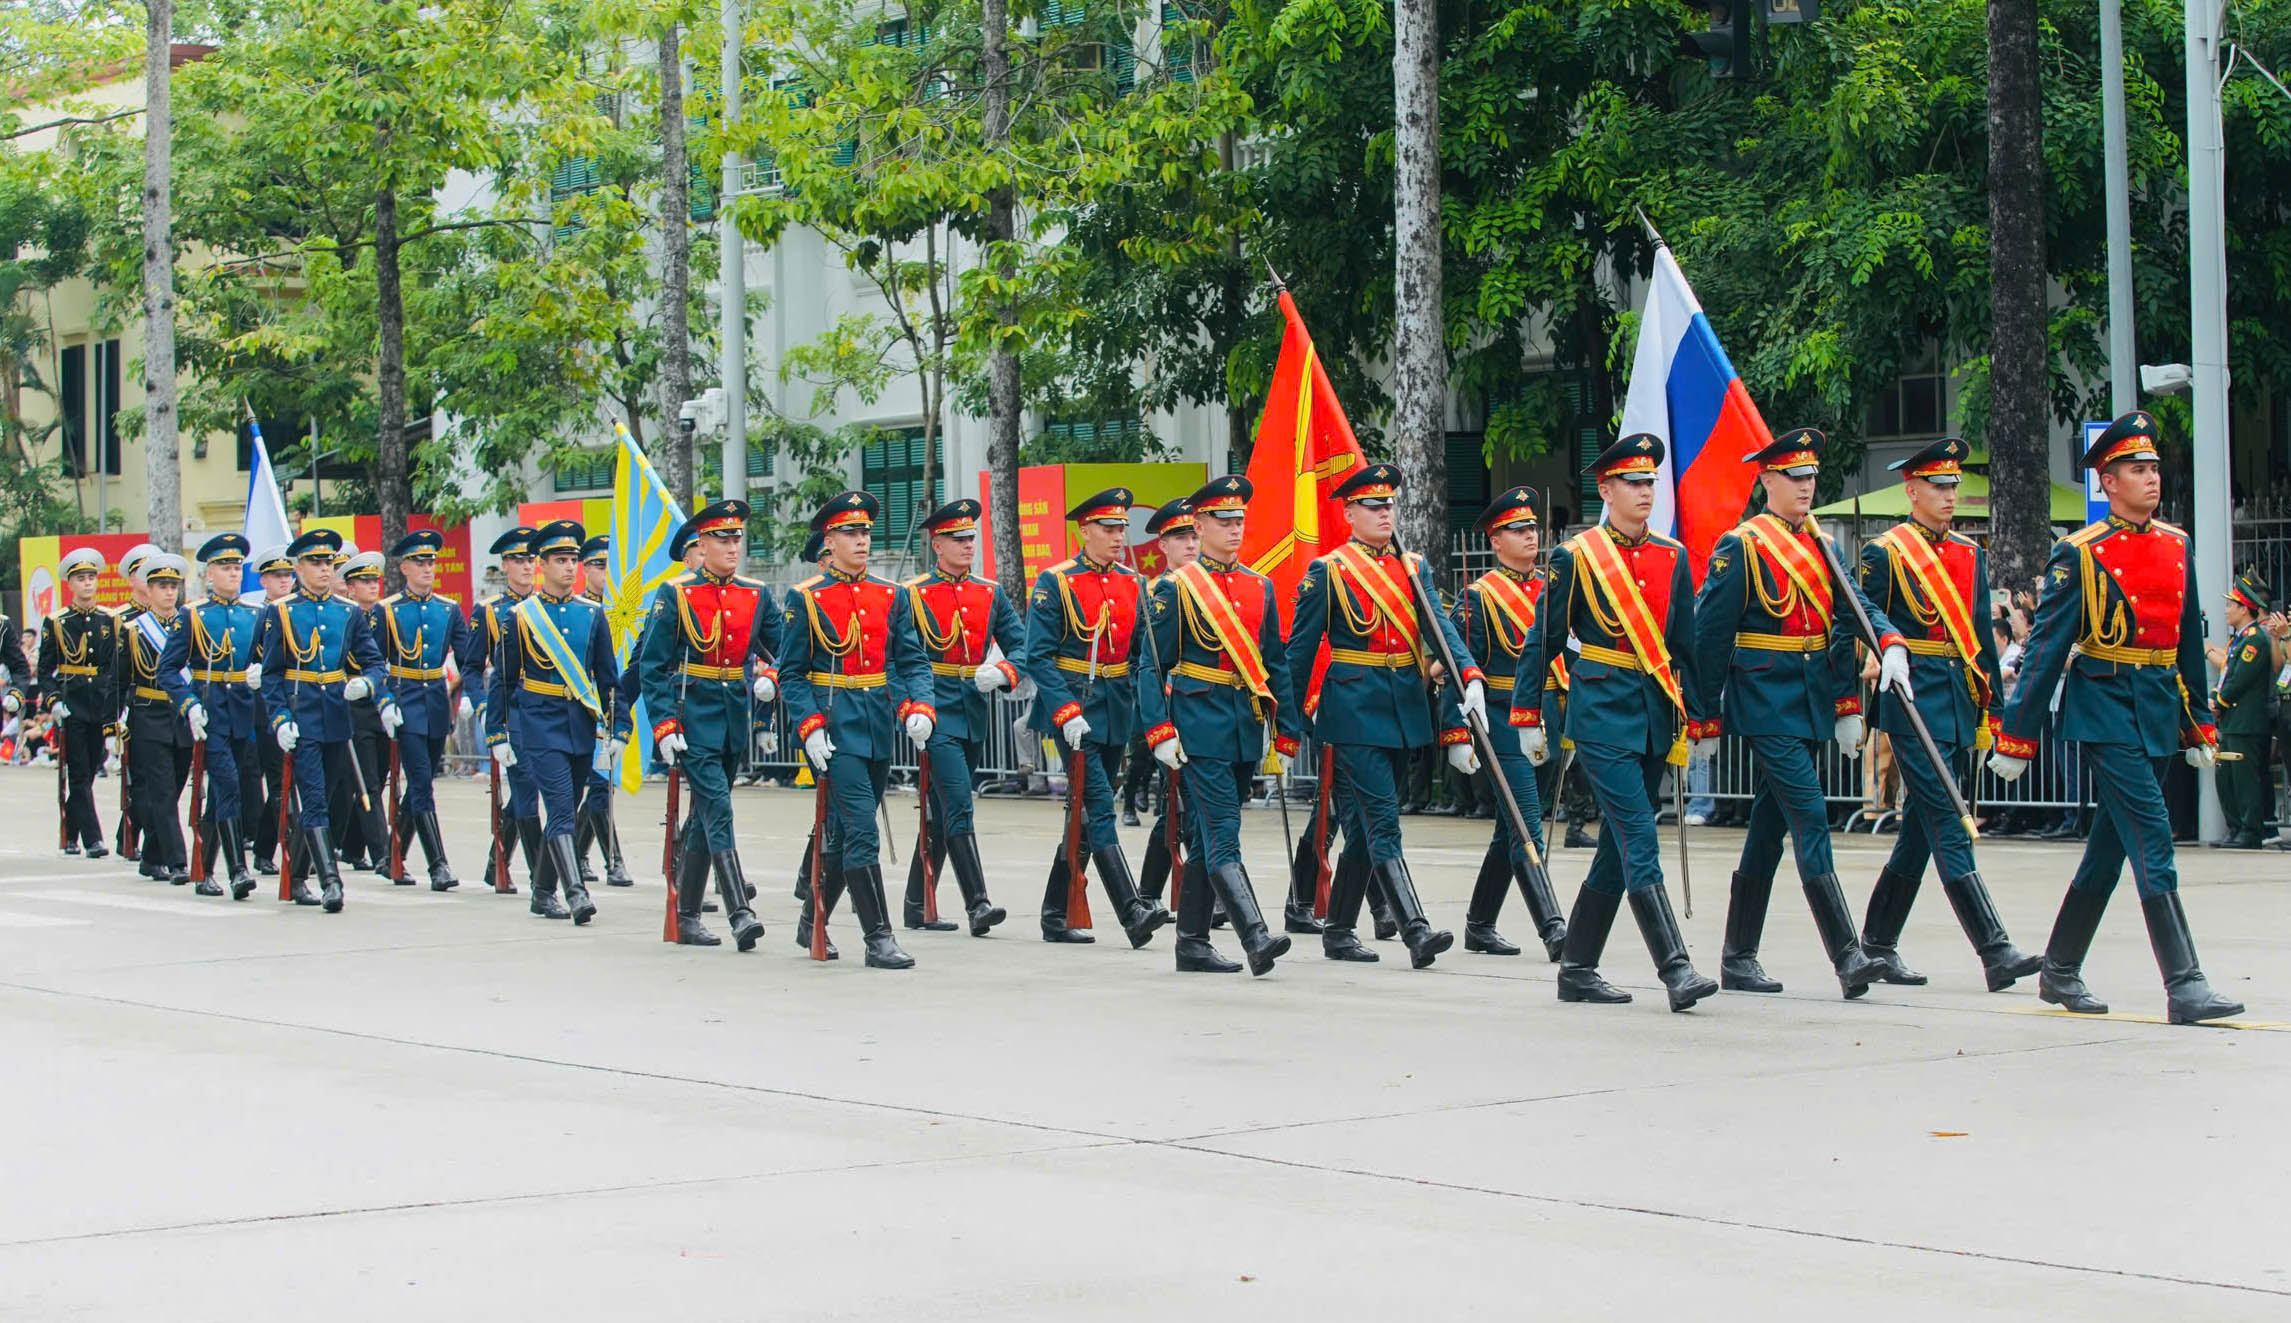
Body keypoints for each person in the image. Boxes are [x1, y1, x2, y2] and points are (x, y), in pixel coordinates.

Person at [1990, 411, 2243, 1024]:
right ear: (2107, 481)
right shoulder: (2079, 554)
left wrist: (2200, 723)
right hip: (2104, 707)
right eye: (2137, 469)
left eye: (2154, 467)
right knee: (2153, 838)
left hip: (2155, 706)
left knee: (2110, 849)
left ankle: (2059, 969)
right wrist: (2017, 737)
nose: (2151, 478)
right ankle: (2185, 984)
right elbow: (2048, 647)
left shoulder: (2176, 544)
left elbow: (2187, 641)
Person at [1694, 428, 1909, 1000]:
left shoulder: (1821, 546)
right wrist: (1703, 718)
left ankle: (1738, 957)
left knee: (1768, 829)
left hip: (1808, 696)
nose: (1807, 485)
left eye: (1812, 475)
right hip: (1764, 698)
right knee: (1810, 815)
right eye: (1795, 476)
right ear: (1767, 481)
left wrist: (1888, 642)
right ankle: (1847, 955)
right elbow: (1710, 638)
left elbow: (1855, 608)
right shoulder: (1740, 545)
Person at [1512, 434, 1716, 1010]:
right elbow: (1543, 640)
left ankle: (1576, 967)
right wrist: (1528, 715)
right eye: (1633, 482)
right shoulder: (1576, 557)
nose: (1645, 491)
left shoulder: (1671, 557)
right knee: (1638, 835)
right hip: (1600, 712)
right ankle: (1675, 968)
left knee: (1617, 849)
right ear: (1606, 490)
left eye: (1651, 481)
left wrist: (1701, 717)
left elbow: (1686, 644)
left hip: (1652, 716)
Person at [1852, 437, 2041, 989]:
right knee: (1948, 818)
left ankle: (1878, 943)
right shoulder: (1884, 552)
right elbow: (1860, 623)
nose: (1948, 494)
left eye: (1953, 485)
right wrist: (1853, 694)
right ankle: (1995, 950)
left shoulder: (1968, 552)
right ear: (1912, 490)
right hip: (1909, 699)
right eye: (1938, 485)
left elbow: (1982, 639)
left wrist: (1995, 715)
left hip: (1956, 697)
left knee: (1919, 829)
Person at [1286, 463, 1477, 969]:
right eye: (1373, 506)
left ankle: (1340, 930)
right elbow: (1300, 652)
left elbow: (1438, 627)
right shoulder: (1330, 570)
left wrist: (1468, 673)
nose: (1384, 513)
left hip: (1402, 707)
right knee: (1383, 823)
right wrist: (1288, 722)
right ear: (1350, 513)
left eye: (1389, 504)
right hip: (1352, 709)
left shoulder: (1413, 567)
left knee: (1368, 828)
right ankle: (1415, 929)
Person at [1135, 474, 1300, 974]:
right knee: (1224, 833)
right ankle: (1256, 936)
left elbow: (1275, 662)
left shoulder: (1259, 586)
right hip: (1198, 726)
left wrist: (1286, 730)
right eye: (1223, 521)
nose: (1233, 530)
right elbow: (1151, 665)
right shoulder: (1177, 588)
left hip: (1244, 728)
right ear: (1200, 525)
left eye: (1239, 521)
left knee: (1207, 841)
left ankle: (1191, 943)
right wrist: (1159, 731)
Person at [780, 491, 935, 968]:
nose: (862, 540)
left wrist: (921, 706)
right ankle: (878, 938)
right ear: (830, 538)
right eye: (851, 532)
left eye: (866, 531)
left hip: (877, 722)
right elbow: (791, 672)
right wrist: (808, 727)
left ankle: (812, 915)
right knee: (862, 829)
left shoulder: (891, 594)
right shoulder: (806, 598)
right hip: (834, 723)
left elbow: (911, 660)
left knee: (847, 835)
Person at [1022, 486, 1173, 948]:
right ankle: (1131, 909)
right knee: (1100, 806)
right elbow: (1038, 656)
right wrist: (1064, 710)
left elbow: (1139, 654)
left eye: (1122, 528)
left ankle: (1053, 911)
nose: (1117, 536)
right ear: (1084, 531)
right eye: (1108, 528)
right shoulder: (1057, 581)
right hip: (1074, 709)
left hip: (1114, 708)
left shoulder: (1133, 582)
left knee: (1086, 815)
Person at [636, 501, 779, 950]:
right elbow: (653, 666)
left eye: (737, 538)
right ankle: (740, 911)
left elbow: (786, 651)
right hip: (691, 716)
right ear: (701, 545)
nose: (733, 546)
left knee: (703, 815)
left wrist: (771, 680)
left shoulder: (755, 594)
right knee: (718, 807)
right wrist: (663, 725)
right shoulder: (675, 593)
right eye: (723, 539)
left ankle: (686, 916)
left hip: (733, 716)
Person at [485, 519, 628, 927]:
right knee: (561, 808)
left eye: (573, 560)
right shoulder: (521, 616)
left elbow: (607, 679)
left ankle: (542, 891)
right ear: (542, 565)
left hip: (580, 724)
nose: (569, 568)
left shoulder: (592, 615)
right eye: (560, 560)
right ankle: (576, 892)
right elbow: (504, 680)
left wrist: (619, 728)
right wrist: (497, 732)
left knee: (571, 805)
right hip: (539, 725)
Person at [1449, 485, 1567, 960]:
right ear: (1495, 540)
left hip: (1548, 714)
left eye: (1533, 529)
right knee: (1525, 827)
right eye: (1518, 530)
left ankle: (1479, 925)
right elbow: (1457, 670)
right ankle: (1555, 927)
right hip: (1500, 719)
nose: (1530, 537)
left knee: (1509, 828)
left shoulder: (1552, 589)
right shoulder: (1479, 598)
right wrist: (1458, 734)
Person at [259, 528, 402, 911]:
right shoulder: (282, 611)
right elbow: (271, 674)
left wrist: (368, 684)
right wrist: (279, 718)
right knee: (315, 798)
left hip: (338, 717)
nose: (324, 569)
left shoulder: (348, 612)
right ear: (299, 567)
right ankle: (331, 883)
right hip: (301, 714)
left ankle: (298, 876)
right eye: (316, 563)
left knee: (333, 800)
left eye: (328, 563)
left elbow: (374, 661)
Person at [897, 498, 1021, 936]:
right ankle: (978, 903)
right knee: (959, 804)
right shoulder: (911, 594)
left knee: (940, 812)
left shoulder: (989, 592)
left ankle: (916, 904)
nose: (968, 545)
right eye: (958, 538)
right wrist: (910, 706)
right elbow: (896, 661)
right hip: (934, 711)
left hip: (972, 708)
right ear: (937, 544)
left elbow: (1021, 645)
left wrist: (1003, 671)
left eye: (971, 537)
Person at [159, 534, 264, 899]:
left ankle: (202, 868)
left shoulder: (256, 614)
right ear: (209, 574)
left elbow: (270, 660)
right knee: (228, 785)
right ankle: (238, 870)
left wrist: (260, 672)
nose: (234, 573)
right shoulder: (193, 615)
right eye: (226, 567)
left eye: (237, 567)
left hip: (243, 711)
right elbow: (167, 671)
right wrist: (188, 705)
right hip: (210, 709)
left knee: (224, 793)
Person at [379, 530, 473, 889]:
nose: (427, 568)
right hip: (404, 701)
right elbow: (374, 661)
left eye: (431, 561)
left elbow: (465, 658)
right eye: (420, 562)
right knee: (420, 782)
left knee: (423, 781)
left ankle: (392, 856)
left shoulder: (447, 610)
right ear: (404, 567)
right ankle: (438, 865)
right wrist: (384, 701)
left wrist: (465, 694)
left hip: (435, 701)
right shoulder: (388, 611)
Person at [1129, 496, 1198, 917]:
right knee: (1182, 803)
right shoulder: (1154, 592)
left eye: (1193, 535)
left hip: (1206, 710)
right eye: (1179, 537)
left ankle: (1150, 892)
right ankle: (1168, 893)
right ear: (1162, 546)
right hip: (1169, 711)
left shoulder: (1213, 588)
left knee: (1185, 807)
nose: (1189, 544)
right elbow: (1144, 659)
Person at [462, 526, 541, 894]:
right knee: (526, 791)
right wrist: (481, 707)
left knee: (533, 790)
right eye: (520, 560)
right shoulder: (489, 611)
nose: (527, 567)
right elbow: (471, 667)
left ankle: (497, 861)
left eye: (531, 559)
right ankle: (546, 875)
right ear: (506, 565)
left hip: (546, 711)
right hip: (510, 712)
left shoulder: (546, 606)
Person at [119, 553, 195, 884]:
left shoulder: (191, 625)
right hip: (148, 716)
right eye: (161, 586)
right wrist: (116, 721)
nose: (168, 593)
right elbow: (119, 680)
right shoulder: (133, 630)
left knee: (176, 786)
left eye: (173, 586)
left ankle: (150, 857)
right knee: (162, 790)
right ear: (148, 591)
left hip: (182, 717)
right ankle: (177, 861)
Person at [40, 547, 121, 857]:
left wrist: (117, 705)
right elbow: (46, 670)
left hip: (100, 702)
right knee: (78, 772)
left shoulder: (109, 619)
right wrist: (53, 700)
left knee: (89, 772)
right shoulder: (57, 622)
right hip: (72, 701)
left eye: (91, 578)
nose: (87, 584)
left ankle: (71, 831)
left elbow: (115, 666)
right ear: (70, 584)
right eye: (81, 579)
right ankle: (93, 839)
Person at [571, 535, 639, 889]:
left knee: (601, 786)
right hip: (581, 706)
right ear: (584, 568)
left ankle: (591, 856)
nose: (605, 572)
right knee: (589, 789)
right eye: (598, 565)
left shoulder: (623, 607)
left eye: (610, 566)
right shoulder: (577, 608)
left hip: (612, 704)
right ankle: (604, 859)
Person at [2208, 572, 2278, 848]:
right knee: (2227, 777)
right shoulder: (2239, 639)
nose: (2226, 611)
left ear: (2244, 608)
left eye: (2230, 606)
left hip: (2246, 721)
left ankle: (2250, 830)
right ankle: (2235, 827)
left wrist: (2220, 701)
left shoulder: (2255, 640)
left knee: (2245, 779)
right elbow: (2228, 673)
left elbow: (2240, 680)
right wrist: (2216, 697)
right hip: (2232, 721)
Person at [335, 551, 394, 873]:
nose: (373, 586)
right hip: (350, 706)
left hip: (381, 704)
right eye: (365, 581)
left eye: (375, 580)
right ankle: (382, 854)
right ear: (350, 587)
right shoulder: (341, 616)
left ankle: (352, 845)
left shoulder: (387, 616)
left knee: (379, 777)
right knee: (366, 781)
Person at [245, 546, 298, 874]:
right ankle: (271, 848)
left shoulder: (297, 611)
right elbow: (249, 657)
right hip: (268, 707)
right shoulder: (257, 616)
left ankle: (277, 843)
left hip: (301, 702)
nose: (284, 581)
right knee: (279, 782)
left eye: (288, 575)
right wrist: (252, 671)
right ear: (264, 580)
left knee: (294, 782)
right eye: (277, 576)